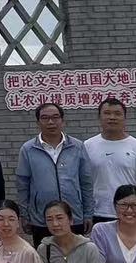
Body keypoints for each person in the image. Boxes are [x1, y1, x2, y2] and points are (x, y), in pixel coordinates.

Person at [15, 102, 93, 242]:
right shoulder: (28, 149)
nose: (51, 122)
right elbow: (22, 186)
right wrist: (25, 215)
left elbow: (86, 182)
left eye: (55, 117)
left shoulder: (77, 147)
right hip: (42, 218)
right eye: (45, 118)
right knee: (46, 253)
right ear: (38, 122)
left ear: (63, 121)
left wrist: (88, 213)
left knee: (76, 254)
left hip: (73, 216)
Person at [84, 98, 136, 226]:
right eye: (107, 113)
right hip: (97, 213)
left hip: (129, 213)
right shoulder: (88, 145)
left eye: (117, 114)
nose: (112, 117)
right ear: (99, 117)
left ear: (125, 118)